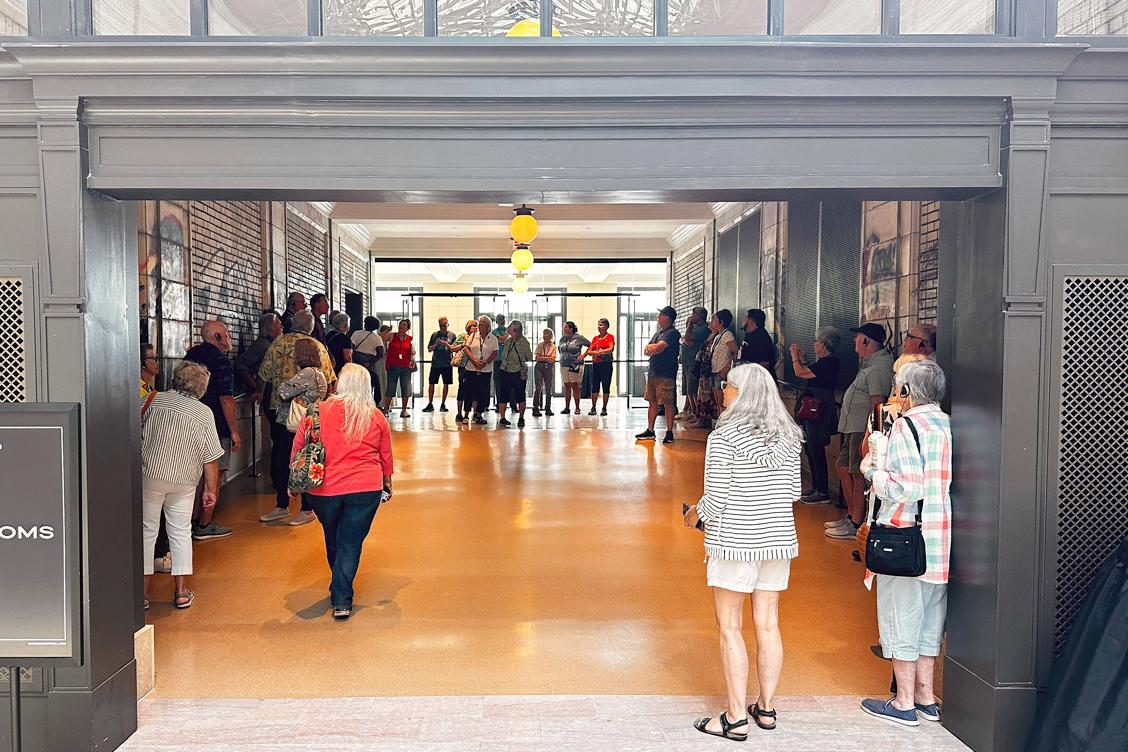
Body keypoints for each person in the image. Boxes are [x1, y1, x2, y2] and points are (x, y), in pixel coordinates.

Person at [683, 364, 803, 739]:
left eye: (727, 386)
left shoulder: (725, 438)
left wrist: (693, 516)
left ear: (740, 393)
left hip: (734, 542)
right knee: (768, 624)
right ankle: (765, 709)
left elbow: (715, 501)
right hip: (777, 541)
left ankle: (734, 717)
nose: (723, 392)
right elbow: (795, 493)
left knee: (730, 627)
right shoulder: (790, 438)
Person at [859, 360, 952, 727]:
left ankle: (903, 703)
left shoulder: (905, 426)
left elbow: (906, 487)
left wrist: (872, 471)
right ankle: (927, 698)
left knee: (902, 618)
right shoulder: (947, 424)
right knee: (931, 620)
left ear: (906, 392)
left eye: (898, 385)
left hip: (906, 537)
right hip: (939, 535)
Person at [291, 364, 394, 620]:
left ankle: (339, 586)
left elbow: (299, 446)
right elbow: (385, 455)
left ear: (340, 384)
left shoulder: (317, 411)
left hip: (323, 487)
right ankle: (342, 598)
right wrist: (388, 481)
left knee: (333, 535)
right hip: (365, 488)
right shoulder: (375, 416)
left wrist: (292, 482)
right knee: (349, 541)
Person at [141, 362, 224, 611]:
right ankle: (180, 592)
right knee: (180, 532)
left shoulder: (151, 400)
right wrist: (211, 490)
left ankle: (142, 595)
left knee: (147, 532)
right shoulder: (203, 412)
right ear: (202, 388)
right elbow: (210, 456)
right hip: (184, 480)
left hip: (150, 475)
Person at [258, 309, 337, 523]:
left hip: (282, 412)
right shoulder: (318, 346)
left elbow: (264, 375)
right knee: (305, 457)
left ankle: (284, 502)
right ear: (310, 326)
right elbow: (331, 380)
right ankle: (301, 504)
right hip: (307, 415)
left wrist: (261, 397)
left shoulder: (277, 343)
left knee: (283, 457)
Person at [827, 322, 894, 541]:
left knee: (856, 473)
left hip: (861, 430)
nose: (854, 341)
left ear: (867, 341)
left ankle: (857, 521)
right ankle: (850, 515)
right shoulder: (868, 364)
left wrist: (869, 434)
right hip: (852, 427)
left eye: (858, 338)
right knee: (843, 467)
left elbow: (878, 404)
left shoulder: (880, 367)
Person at [184, 320, 240, 541]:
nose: (229, 338)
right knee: (214, 475)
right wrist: (234, 431)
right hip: (216, 425)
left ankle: (189, 522)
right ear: (217, 337)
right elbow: (226, 398)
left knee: (194, 477)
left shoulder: (190, 357)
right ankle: (204, 524)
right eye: (225, 333)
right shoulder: (220, 362)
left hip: (189, 423)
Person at [274, 338, 330, 526]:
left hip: (294, 425)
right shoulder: (319, 374)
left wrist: (284, 383)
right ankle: (300, 506)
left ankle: (289, 506)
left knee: (286, 464)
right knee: (304, 463)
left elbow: (282, 391)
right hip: (309, 423)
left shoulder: (306, 373)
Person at [789, 327, 841, 505]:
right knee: (810, 448)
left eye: (816, 341)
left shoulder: (830, 362)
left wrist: (795, 356)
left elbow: (800, 372)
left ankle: (822, 490)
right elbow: (812, 372)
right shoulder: (824, 362)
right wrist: (804, 359)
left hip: (818, 409)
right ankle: (816, 485)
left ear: (825, 345)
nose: (814, 344)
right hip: (812, 408)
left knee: (816, 447)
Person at [636, 306, 681, 445]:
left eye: (660, 314)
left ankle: (669, 432)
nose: (658, 317)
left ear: (667, 317)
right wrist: (652, 349)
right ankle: (650, 430)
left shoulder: (672, 333)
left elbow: (656, 348)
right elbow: (646, 349)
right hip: (653, 372)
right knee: (652, 402)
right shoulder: (658, 333)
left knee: (667, 402)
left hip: (666, 373)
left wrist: (652, 349)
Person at [462, 315, 499, 425]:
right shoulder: (473, 336)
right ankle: (466, 415)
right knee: (469, 392)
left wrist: (485, 362)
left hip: (485, 370)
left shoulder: (493, 338)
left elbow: (495, 353)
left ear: (488, 326)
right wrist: (473, 360)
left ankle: (478, 414)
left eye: (482, 324)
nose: (480, 326)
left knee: (483, 393)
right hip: (471, 368)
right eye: (479, 324)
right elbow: (466, 348)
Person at [498, 319, 533, 428]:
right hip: (505, 371)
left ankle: (521, 418)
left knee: (520, 395)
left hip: (518, 372)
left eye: (510, 327)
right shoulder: (508, 341)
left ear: (515, 329)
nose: (508, 328)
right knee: (503, 395)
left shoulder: (524, 342)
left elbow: (529, 357)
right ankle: (502, 418)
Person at [679, 306, 711, 421]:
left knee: (693, 389)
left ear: (698, 316)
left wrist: (689, 325)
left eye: (693, 314)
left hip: (693, 362)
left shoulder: (703, 328)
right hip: (687, 362)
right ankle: (692, 412)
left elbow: (687, 337)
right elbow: (686, 340)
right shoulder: (696, 328)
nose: (691, 316)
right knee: (689, 389)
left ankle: (695, 412)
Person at [381, 319, 416, 419]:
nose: (401, 326)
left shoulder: (410, 339)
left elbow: (413, 351)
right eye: (400, 324)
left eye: (404, 325)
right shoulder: (392, 335)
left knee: (406, 388)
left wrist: (413, 356)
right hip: (393, 366)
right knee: (390, 388)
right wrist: (387, 330)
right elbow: (379, 338)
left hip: (406, 367)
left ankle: (404, 410)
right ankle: (386, 409)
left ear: (408, 328)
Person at [423, 317, 457, 413]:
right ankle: (430, 403)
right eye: (441, 325)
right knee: (431, 383)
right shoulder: (434, 335)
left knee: (446, 384)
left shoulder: (452, 335)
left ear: (447, 324)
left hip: (447, 363)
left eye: (444, 325)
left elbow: (455, 348)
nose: (443, 327)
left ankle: (443, 403)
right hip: (436, 363)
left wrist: (446, 344)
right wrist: (436, 345)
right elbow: (429, 349)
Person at [707, 309, 738, 412]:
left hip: (721, 372)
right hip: (714, 370)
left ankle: (723, 424)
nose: (712, 322)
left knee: (722, 402)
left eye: (715, 319)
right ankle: (720, 422)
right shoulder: (717, 336)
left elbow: (735, 351)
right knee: (718, 402)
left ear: (721, 322)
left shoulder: (727, 335)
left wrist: (727, 367)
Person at [557, 321, 590, 415]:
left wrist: (584, 355)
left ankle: (577, 408)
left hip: (575, 364)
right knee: (567, 386)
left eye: (565, 327)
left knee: (575, 386)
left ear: (571, 329)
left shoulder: (578, 338)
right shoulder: (562, 339)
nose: (563, 329)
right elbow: (560, 350)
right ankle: (567, 408)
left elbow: (591, 345)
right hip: (564, 365)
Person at [585, 318, 615, 416]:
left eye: (601, 325)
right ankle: (593, 407)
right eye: (598, 324)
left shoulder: (610, 337)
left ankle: (604, 408)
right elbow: (589, 351)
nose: (599, 327)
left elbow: (611, 349)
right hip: (596, 364)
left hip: (606, 364)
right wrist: (594, 352)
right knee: (595, 386)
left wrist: (600, 352)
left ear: (606, 326)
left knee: (606, 386)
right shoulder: (595, 338)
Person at [350, 316, 385, 400]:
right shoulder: (377, 338)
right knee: (370, 383)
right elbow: (380, 353)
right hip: (370, 363)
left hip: (356, 361)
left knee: (357, 384)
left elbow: (351, 347)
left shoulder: (357, 333)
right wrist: (370, 363)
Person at [451, 319, 477, 424]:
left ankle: (475, 413)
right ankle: (459, 413)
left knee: (475, 391)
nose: (476, 328)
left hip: (475, 366)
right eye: (473, 326)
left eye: (477, 326)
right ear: (468, 327)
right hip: (463, 366)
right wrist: (463, 345)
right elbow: (452, 348)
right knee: (462, 389)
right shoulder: (463, 336)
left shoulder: (479, 338)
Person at [740, 308, 777, 374]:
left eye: (746, 317)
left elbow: (766, 364)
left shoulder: (761, 337)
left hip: (760, 381)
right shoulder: (749, 335)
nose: (743, 320)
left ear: (751, 320)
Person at [532, 328, 557, 418]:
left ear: (550, 335)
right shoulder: (540, 345)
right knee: (538, 388)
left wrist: (543, 357)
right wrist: (547, 358)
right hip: (539, 367)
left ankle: (548, 408)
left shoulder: (553, 347)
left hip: (548, 368)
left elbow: (552, 359)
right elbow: (537, 358)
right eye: (543, 334)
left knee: (548, 389)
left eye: (546, 334)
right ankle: (535, 408)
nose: (544, 336)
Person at [491, 313, 513, 412]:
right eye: (500, 319)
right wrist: (502, 339)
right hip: (497, 361)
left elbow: (509, 341)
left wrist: (500, 339)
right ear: (496, 321)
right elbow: (495, 342)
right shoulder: (493, 332)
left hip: (508, 360)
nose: (502, 321)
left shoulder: (508, 331)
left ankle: (512, 404)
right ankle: (499, 404)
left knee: (510, 383)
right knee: (498, 383)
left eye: (503, 319)